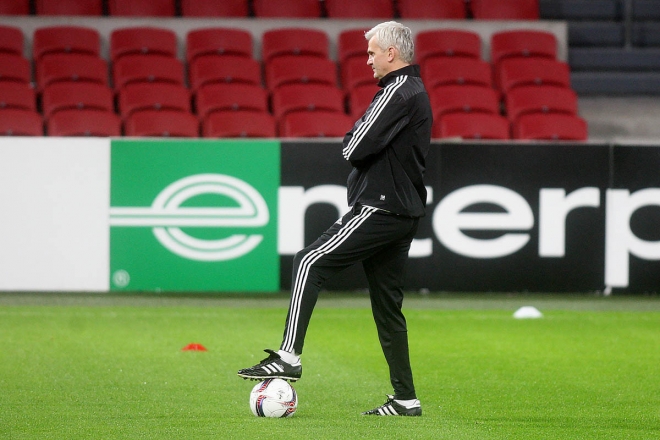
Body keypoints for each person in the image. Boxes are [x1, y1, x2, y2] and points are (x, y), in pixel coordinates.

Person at [238, 21, 432, 417]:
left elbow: (354, 146)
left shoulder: (396, 90)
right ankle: (405, 399)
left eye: (373, 53)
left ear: (391, 54)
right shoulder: (417, 92)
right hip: (402, 210)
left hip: (379, 205)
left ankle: (289, 356)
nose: (369, 60)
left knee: (309, 260)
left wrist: (355, 138)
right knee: (387, 309)